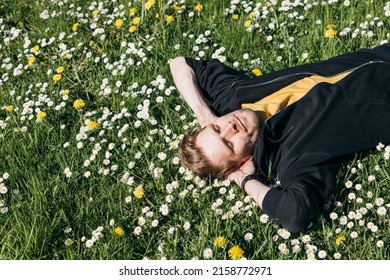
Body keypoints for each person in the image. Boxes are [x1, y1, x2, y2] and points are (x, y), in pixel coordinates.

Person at [170, 44, 390, 232]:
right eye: (228, 143)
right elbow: (295, 214)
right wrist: (244, 180)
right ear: (244, 161)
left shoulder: (232, 96)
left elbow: (180, 63)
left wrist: (204, 114)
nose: (230, 127)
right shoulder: (292, 156)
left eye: (217, 129)